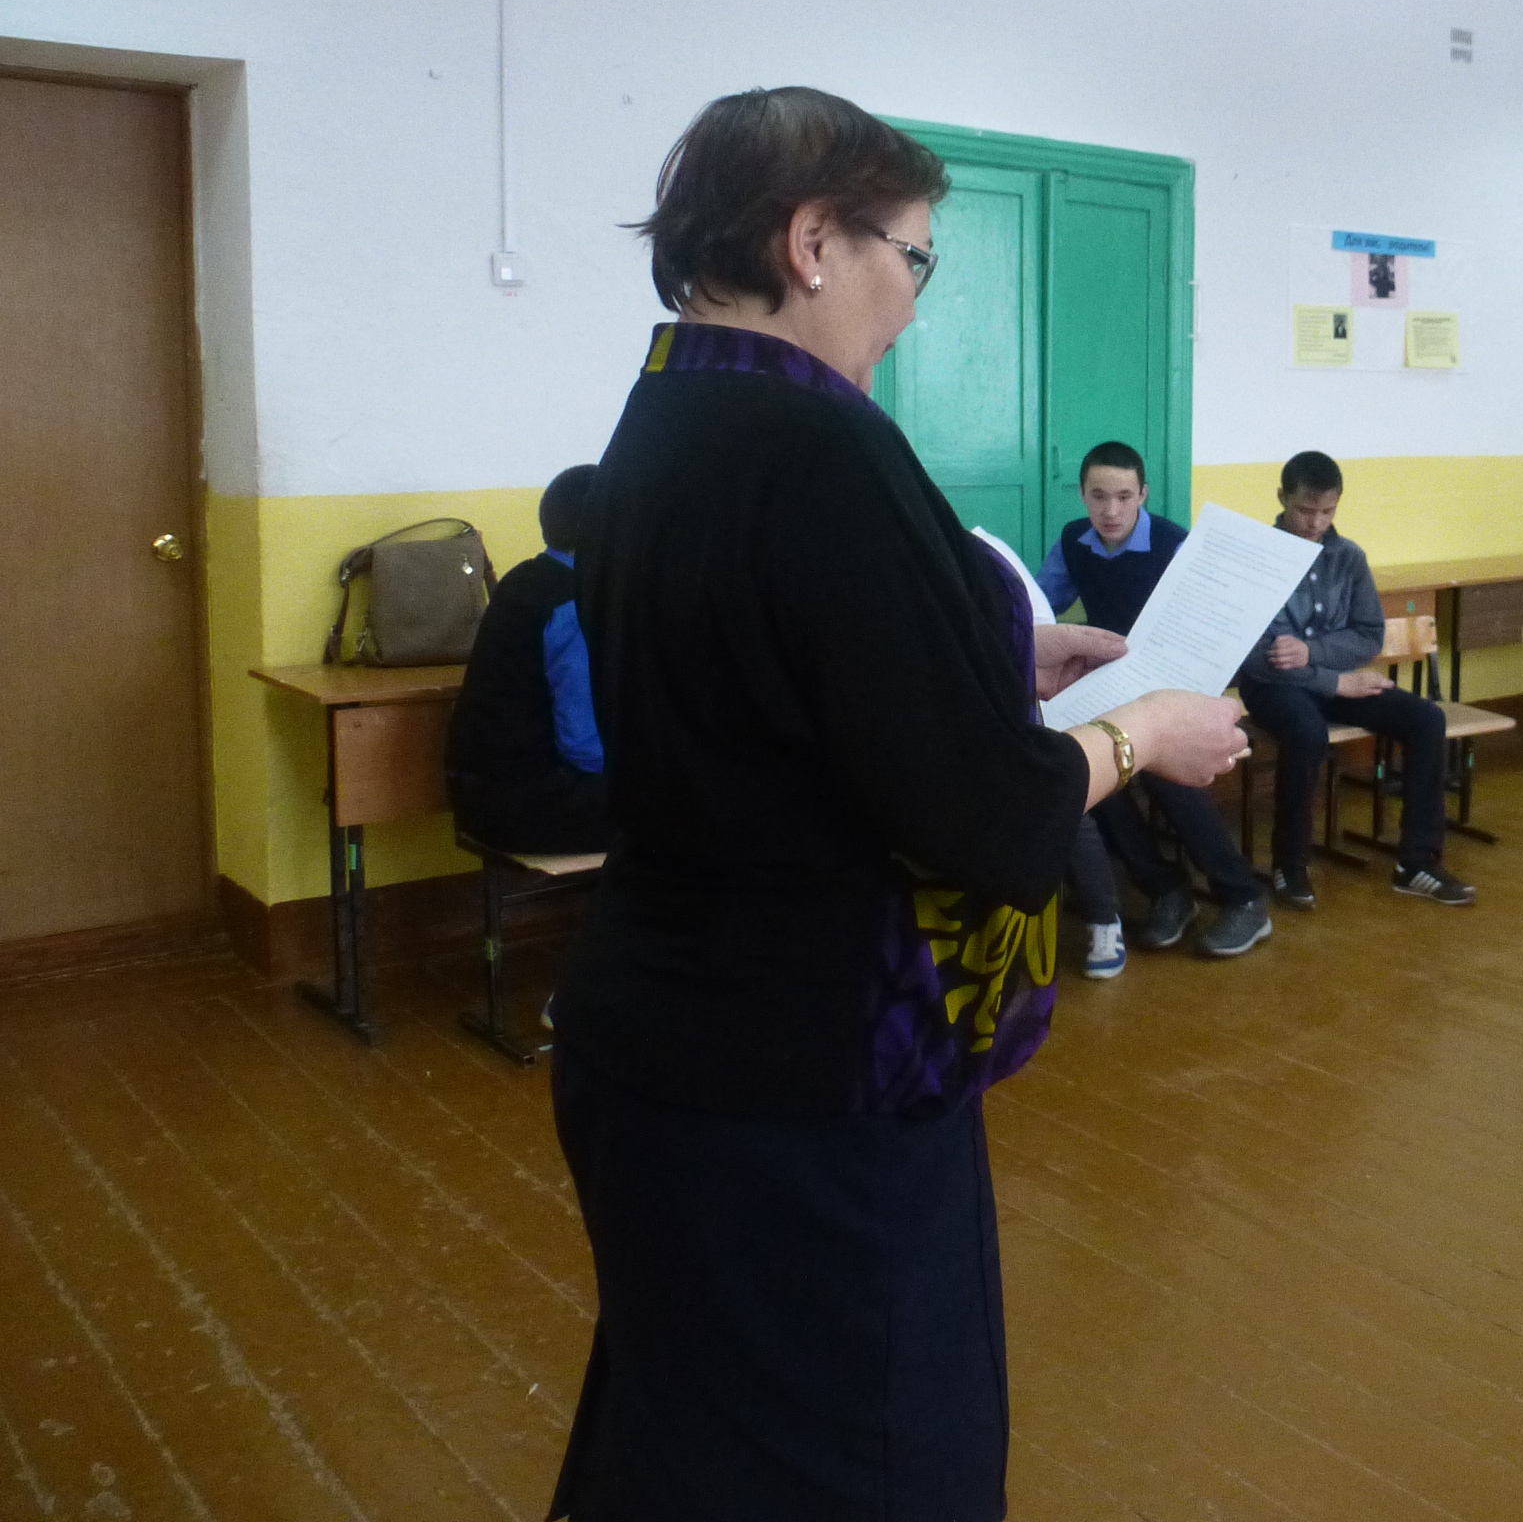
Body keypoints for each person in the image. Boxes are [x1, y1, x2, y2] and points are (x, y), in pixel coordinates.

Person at [544, 86, 1244, 1522]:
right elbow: (987, 815)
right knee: (874, 1455)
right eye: (913, 257)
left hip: (658, 1027)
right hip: (808, 1067)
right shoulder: (822, 447)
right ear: (813, 241)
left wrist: (992, 651)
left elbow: (761, 670)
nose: (917, 303)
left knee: (690, 1434)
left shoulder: (669, 415)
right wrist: (1140, 733)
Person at [1037, 440, 1272, 971]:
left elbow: (1215, 621)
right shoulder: (1074, 541)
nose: (1111, 510)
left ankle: (1243, 898)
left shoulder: (1174, 543)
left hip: (1175, 686)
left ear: (1143, 494)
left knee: (1170, 778)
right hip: (1110, 686)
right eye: (1099, 496)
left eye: (1124, 496)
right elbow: (1041, 603)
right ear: (1082, 495)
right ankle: (1167, 891)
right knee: (1095, 774)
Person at [1236, 450, 1475, 907]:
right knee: (1306, 732)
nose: (1316, 522)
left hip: (1336, 680)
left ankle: (1417, 863)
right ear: (1282, 497)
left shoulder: (1349, 557)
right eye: (1305, 510)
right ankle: (1290, 864)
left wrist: (1314, 654)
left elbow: (1368, 636)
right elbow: (1261, 658)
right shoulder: (1255, 559)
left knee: (1426, 719)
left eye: (1327, 511)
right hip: (1273, 688)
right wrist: (1335, 682)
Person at [446, 464, 612, 855]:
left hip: (482, 798)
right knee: (687, 804)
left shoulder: (526, 578)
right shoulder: (574, 606)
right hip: (531, 808)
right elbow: (586, 750)